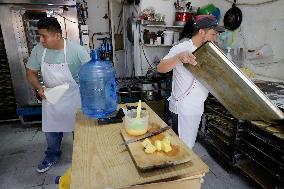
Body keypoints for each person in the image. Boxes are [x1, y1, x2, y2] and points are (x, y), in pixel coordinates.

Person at [26, 17, 90, 173]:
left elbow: (91, 74)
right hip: (51, 96)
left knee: (80, 130)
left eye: (44, 36)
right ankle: (52, 155)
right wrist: (38, 87)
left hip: (74, 96)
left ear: (57, 36)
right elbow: (31, 72)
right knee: (51, 131)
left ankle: (84, 157)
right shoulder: (38, 50)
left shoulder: (77, 51)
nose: (41, 40)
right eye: (39, 36)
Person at [157, 15, 225, 148]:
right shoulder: (183, 47)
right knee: (185, 149)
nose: (215, 39)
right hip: (184, 109)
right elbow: (161, 68)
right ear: (201, 32)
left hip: (195, 107)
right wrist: (178, 58)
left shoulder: (208, 51)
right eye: (213, 34)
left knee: (185, 147)